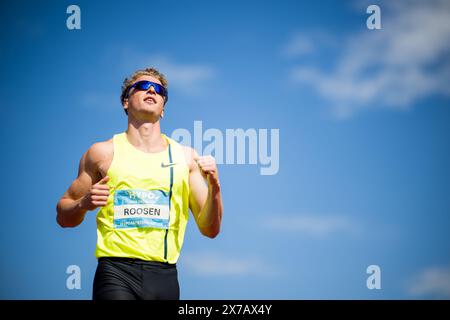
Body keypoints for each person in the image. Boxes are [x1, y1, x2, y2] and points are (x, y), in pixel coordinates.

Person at [56, 67, 223, 300]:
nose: (152, 90)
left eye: (160, 90)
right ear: (126, 101)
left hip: (165, 275)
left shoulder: (186, 158)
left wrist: (215, 186)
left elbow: (210, 229)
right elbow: (63, 216)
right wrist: (83, 204)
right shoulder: (101, 153)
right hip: (115, 271)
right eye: (143, 86)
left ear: (163, 109)